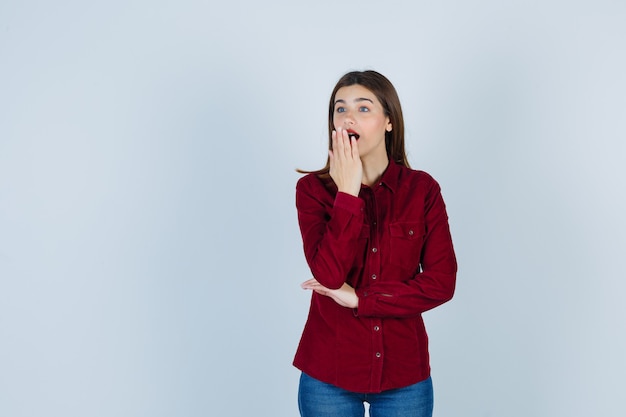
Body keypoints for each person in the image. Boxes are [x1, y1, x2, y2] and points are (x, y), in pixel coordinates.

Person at [293, 70, 457, 417]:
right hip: (329, 374)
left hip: (404, 376)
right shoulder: (311, 191)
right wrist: (348, 193)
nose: (348, 116)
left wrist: (362, 299)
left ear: (388, 121)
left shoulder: (423, 191)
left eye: (363, 108)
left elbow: (442, 283)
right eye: (340, 109)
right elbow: (329, 274)